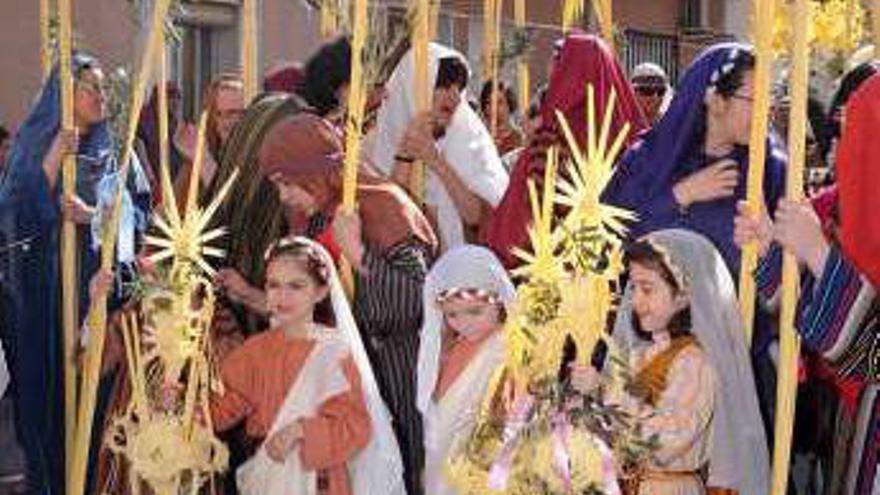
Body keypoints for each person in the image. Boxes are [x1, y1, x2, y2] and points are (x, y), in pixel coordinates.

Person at [230, 113, 437, 494]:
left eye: (288, 184)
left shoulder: (386, 207)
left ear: (313, 174)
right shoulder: (311, 218)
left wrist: (359, 255)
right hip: (333, 387)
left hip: (391, 380)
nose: (283, 196)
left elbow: (419, 301)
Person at [0, 52, 150, 495]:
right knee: (47, 405)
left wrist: (94, 217)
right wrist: (52, 160)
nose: (101, 97)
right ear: (64, 95)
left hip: (96, 299)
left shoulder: (116, 151)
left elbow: (139, 219)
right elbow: (11, 222)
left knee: (96, 405)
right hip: (44, 302)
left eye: (103, 89)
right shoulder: (32, 146)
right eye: (91, 88)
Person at [734, 73, 880, 495]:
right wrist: (771, 253)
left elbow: (870, 357)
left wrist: (817, 252)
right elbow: (819, 315)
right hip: (853, 426)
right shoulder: (843, 203)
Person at [573, 230, 769, 495]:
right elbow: (617, 438)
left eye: (647, 289)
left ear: (682, 296)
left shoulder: (694, 363)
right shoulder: (639, 357)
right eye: (634, 288)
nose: (636, 300)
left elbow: (665, 442)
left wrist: (605, 392)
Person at [212, 237, 405, 495]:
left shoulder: (335, 352)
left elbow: (354, 427)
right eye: (274, 285)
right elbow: (221, 409)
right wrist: (178, 402)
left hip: (321, 482)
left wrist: (301, 430)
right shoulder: (254, 351)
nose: (283, 296)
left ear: (321, 291)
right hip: (268, 477)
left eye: (296, 286)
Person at [602, 43, 786, 278]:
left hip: (735, 314)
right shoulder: (646, 161)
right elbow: (605, 246)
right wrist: (679, 196)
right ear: (716, 100)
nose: (767, 112)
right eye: (755, 100)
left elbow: (793, 277)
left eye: (770, 100)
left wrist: (770, 245)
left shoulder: (771, 168)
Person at [484, 33, 647, 269]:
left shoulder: (552, 139)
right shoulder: (630, 142)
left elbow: (523, 220)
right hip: (619, 270)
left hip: (554, 274)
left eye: (559, 62)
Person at [371, 42, 508, 250]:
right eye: (444, 86)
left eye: (459, 88)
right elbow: (385, 219)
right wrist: (405, 156)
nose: (454, 97)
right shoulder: (373, 143)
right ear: (414, 85)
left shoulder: (469, 139)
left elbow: (481, 217)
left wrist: (435, 161)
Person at [416, 245, 515, 495]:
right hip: (444, 465)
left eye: (475, 311)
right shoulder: (451, 345)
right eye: (452, 315)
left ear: (498, 301)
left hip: (484, 471)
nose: (464, 323)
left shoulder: (507, 349)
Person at [174, 73, 245, 203]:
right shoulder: (205, 154)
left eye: (233, 113)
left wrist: (204, 160)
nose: (225, 123)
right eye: (218, 114)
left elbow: (234, 208)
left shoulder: (257, 159)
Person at [479, 80, 524, 157]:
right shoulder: (479, 138)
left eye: (499, 102)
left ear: (509, 105)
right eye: (489, 103)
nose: (494, 108)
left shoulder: (520, 140)